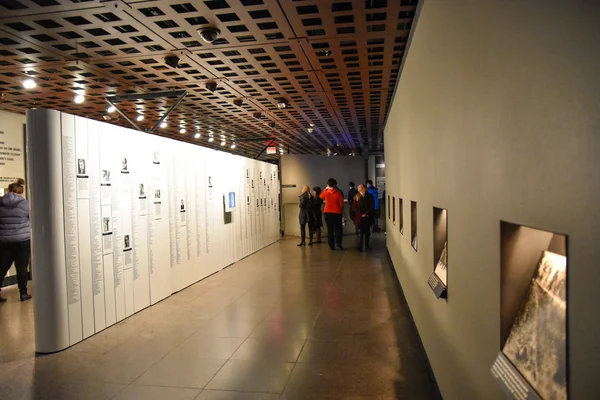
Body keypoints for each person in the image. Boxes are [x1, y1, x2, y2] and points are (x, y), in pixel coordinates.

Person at [0, 178, 32, 302]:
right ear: (21, 192)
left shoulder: (1, 203)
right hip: (22, 241)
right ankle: (23, 293)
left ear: (8, 190)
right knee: (22, 268)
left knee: (2, 267)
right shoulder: (26, 204)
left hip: (4, 241)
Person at [320, 178, 344, 250]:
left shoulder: (326, 192)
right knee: (338, 229)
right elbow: (341, 204)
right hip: (337, 212)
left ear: (328, 184)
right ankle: (338, 243)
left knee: (330, 229)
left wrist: (325, 189)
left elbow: (321, 196)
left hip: (327, 212)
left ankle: (331, 245)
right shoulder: (338, 193)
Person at [353, 184, 375, 251]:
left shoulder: (370, 196)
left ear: (364, 188)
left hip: (367, 216)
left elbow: (371, 206)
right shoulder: (357, 197)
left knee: (367, 231)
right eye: (358, 188)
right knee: (361, 231)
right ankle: (360, 245)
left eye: (361, 188)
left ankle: (367, 245)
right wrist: (360, 214)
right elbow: (354, 207)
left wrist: (366, 213)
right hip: (360, 217)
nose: (359, 189)